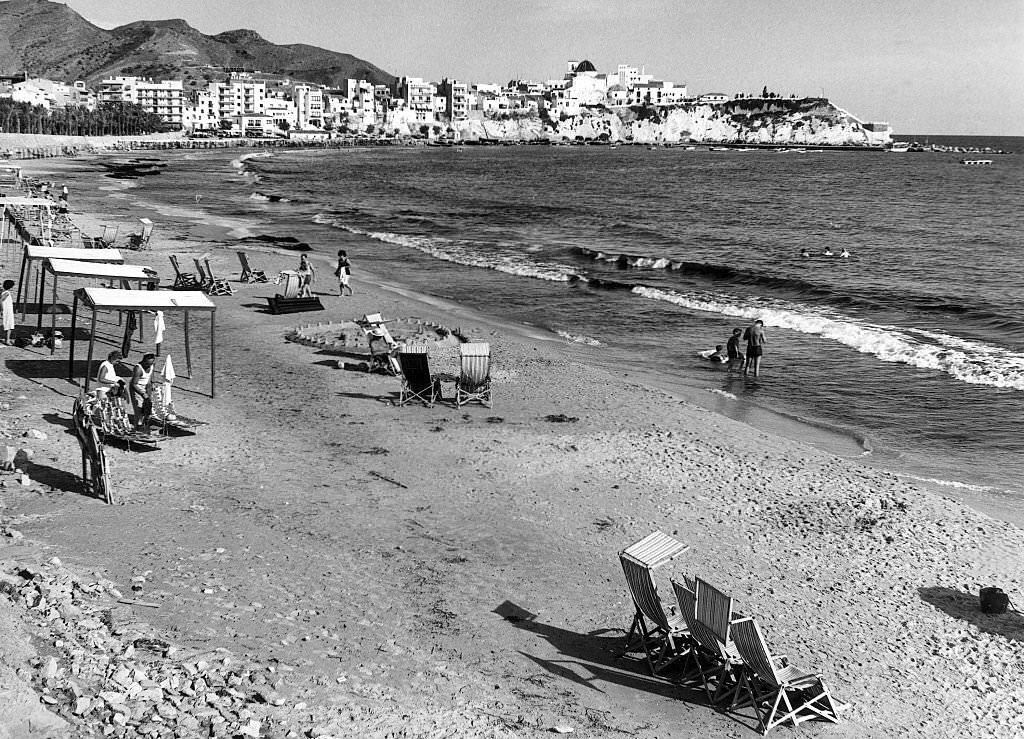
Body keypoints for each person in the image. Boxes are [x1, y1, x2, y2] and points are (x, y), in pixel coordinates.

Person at [130, 353, 156, 429]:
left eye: (151, 364)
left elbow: (151, 375)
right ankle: (137, 427)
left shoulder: (151, 366)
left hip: (146, 386)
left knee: (147, 407)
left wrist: (153, 383)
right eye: (148, 364)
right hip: (137, 388)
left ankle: (145, 425)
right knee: (139, 410)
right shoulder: (138, 369)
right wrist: (142, 393)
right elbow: (134, 384)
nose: (149, 366)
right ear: (144, 361)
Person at [0, 280, 14, 345]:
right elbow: (1, 300)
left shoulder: (3, 292)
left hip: (8, 310)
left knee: (7, 325)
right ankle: (7, 340)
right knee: (9, 325)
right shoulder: (7, 293)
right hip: (7, 311)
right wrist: (2, 309)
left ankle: (7, 339)